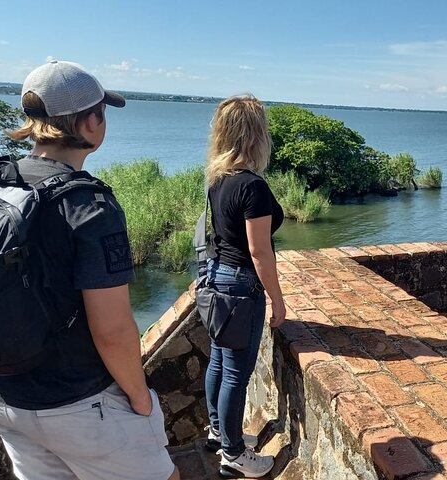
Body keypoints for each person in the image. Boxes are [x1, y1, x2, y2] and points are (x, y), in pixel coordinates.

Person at [0, 61, 179, 480]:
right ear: (89, 122)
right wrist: (141, 399)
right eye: (102, 112)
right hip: (76, 402)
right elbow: (113, 329)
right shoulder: (89, 206)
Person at [199, 95, 286, 478]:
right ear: (256, 136)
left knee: (219, 361)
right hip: (240, 286)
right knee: (236, 373)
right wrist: (277, 300)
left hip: (217, 280)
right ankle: (234, 455)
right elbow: (259, 251)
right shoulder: (253, 187)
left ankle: (220, 432)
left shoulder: (219, 180)